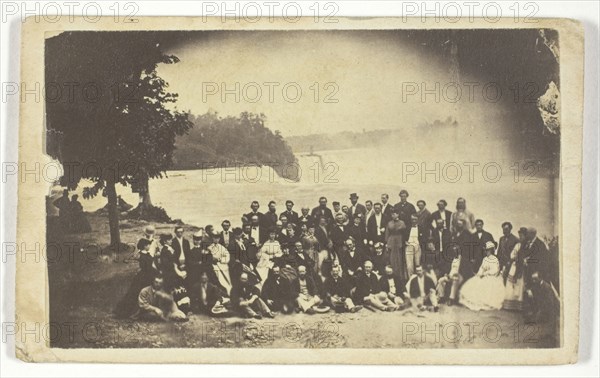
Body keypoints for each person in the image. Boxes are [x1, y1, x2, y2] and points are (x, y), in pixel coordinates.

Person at [114, 238, 159, 318]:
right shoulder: (142, 255)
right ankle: (128, 312)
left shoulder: (146, 254)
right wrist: (156, 272)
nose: (149, 246)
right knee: (136, 293)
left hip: (146, 275)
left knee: (143, 293)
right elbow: (147, 267)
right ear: (145, 246)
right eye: (148, 245)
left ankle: (142, 311)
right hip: (144, 277)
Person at [459, 241, 505, 311]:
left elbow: (495, 270)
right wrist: (480, 273)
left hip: (492, 277)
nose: (487, 252)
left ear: (492, 250)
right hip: (484, 275)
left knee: (486, 285)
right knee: (476, 282)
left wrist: (486, 273)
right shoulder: (485, 259)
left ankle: (486, 302)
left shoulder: (494, 259)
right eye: (486, 250)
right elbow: (482, 268)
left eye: (488, 250)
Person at [502, 227, 527, 311]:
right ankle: (510, 305)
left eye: (522, 236)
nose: (521, 237)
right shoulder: (518, 245)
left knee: (519, 284)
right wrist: (514, 257)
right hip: (515, 265)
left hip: (521, 267)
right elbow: (512, 254)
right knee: (511, 283)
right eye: (520, 235)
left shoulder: (527, 245)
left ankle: (518, 305)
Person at [385, 209, 408, 281]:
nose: (393, 215)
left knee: (400, 258)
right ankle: (392, 275)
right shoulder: (389, 223)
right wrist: (386, 243)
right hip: (391, 240)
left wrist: (404, 241)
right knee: (392, 258)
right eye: (392, 214)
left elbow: (405, 233)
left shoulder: (402, 223)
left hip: (399, 240)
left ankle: (400, 277)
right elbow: (387, 233)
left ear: (398, 214)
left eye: (394, 214)